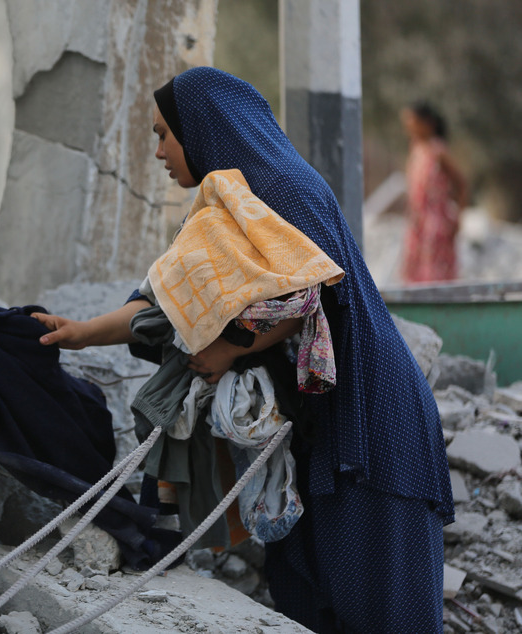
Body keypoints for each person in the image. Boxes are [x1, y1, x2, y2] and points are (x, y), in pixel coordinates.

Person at [32, 67, 453, 633]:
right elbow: (164, 304)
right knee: (309, 594)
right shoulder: (223, 207)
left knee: (381, 605)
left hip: (374, 426)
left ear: (202, 130)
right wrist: (80, 332)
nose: (157, 152)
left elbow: (312, 290)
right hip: (318, 434)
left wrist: (232, 348)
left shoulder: (283, 189)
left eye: (163, 134)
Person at [400, 101, 468, 284]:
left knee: (435, 275)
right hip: (418, 223)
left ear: (427, 123)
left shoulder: (438, 151)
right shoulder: (416, 149)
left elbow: (460, 182)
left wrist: (459, 216)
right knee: (415, 273)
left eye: (413, 122)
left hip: (436, 223)